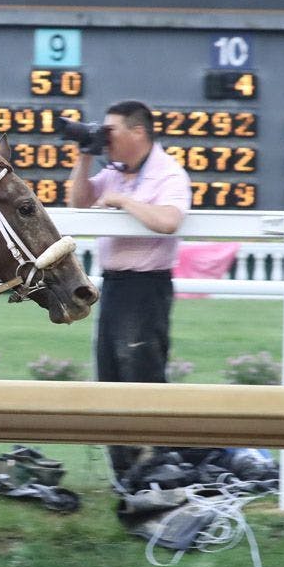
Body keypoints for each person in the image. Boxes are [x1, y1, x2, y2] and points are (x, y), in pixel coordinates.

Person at [66, 99, 191, 482]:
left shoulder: (169, 173)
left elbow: (169, 221)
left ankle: (156, 471)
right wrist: (86, 157)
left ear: (138, 132)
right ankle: (126, 479)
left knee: (142, 376)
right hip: (115, 285)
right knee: (110, 378)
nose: (105, 139)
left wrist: (123, 200)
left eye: (110, 132)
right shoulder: (115, 170)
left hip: (147, 287)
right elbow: (78, 202)